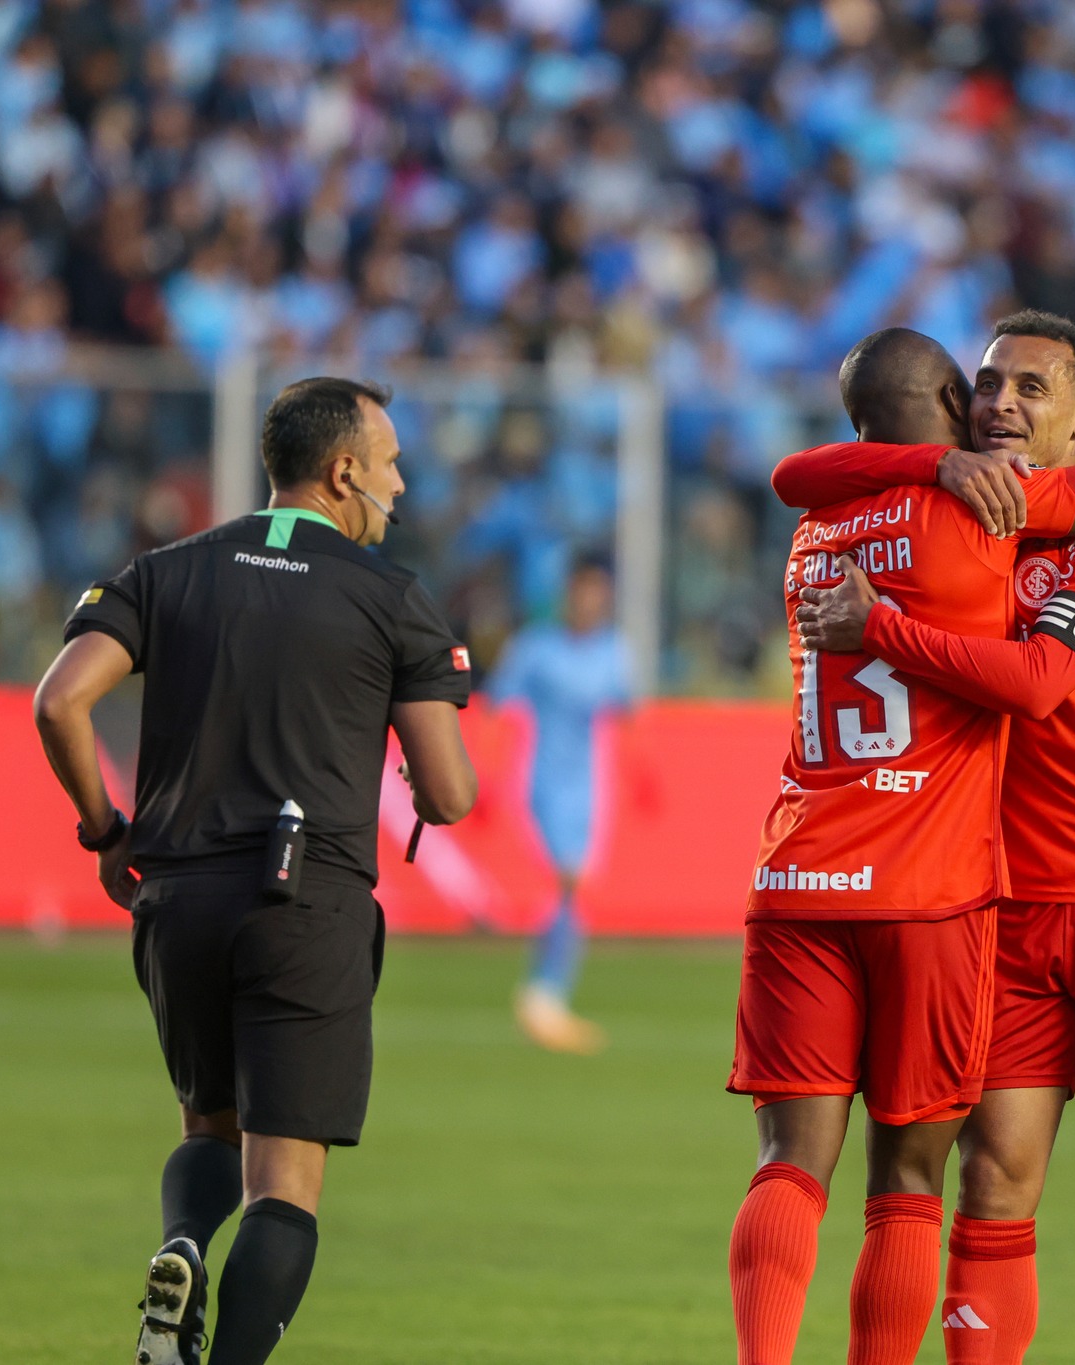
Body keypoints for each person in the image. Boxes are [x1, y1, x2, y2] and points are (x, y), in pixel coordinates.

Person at [727, 326, 1075, 1365]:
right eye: (980, 386)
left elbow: (791, 470)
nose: (996, 404)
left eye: (1029, 386)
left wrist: (888, 583)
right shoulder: (980, 512)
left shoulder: (831, 522)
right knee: (947, 1182)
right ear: (946, 404)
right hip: (963, 898)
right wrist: (943, 471)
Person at [31, 377, 478, 1365]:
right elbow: (447, 797)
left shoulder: (165, 570)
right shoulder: (390, 598)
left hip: (176, 895)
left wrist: (107, 833)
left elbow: (59, 704)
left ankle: (182, 1244)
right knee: (285, 1182)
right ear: (343, 470)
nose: (400, 487)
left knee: (206, 1128)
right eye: (391, 463)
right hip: (302, 899)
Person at [485, 547, 630, 1054]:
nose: (592, 602)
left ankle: (545, 995)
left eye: (600, 594)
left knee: (572, 890)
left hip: (589, 788)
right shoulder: (536, 649)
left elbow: (625, 713)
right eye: (584, 591)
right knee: (563, 884)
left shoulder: (615, 652)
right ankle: (544, 996)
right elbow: (500, 709)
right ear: (568, 594)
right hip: (539, 781)